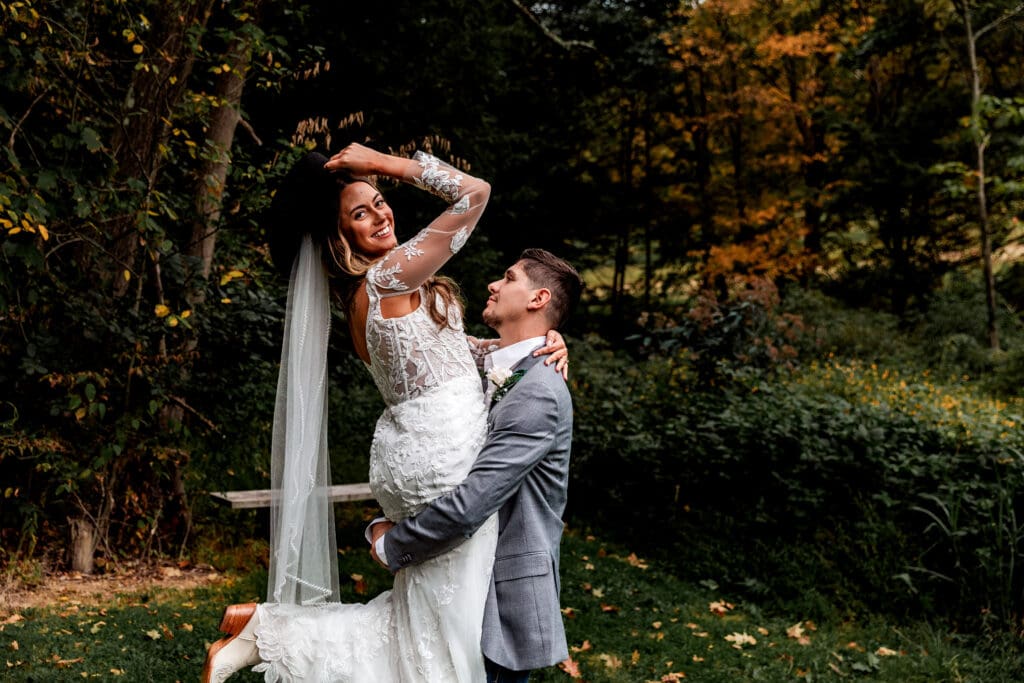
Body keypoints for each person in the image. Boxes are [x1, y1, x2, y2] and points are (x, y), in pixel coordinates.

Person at [201, 142, 569, 683]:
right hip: (445, 455)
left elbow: (455, 352)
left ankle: (267, 630)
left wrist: (543, 342)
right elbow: (475, 194)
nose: (380, 214)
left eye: (379, 201)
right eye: (360, 212)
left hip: (410, 452)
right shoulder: (389, 280)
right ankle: (271, 634)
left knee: (420, 622)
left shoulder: (367, 294)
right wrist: (384, 164)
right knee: (451, 638)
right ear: (340, 237)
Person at [371, 246, 583, 683]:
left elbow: (473, 502)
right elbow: (420, 347)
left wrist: (392, 546)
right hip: (464, 580)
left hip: (500, 598)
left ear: (538, 299)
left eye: (508, 277)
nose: (493, 284)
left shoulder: (537, 390)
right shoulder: (501, 364)